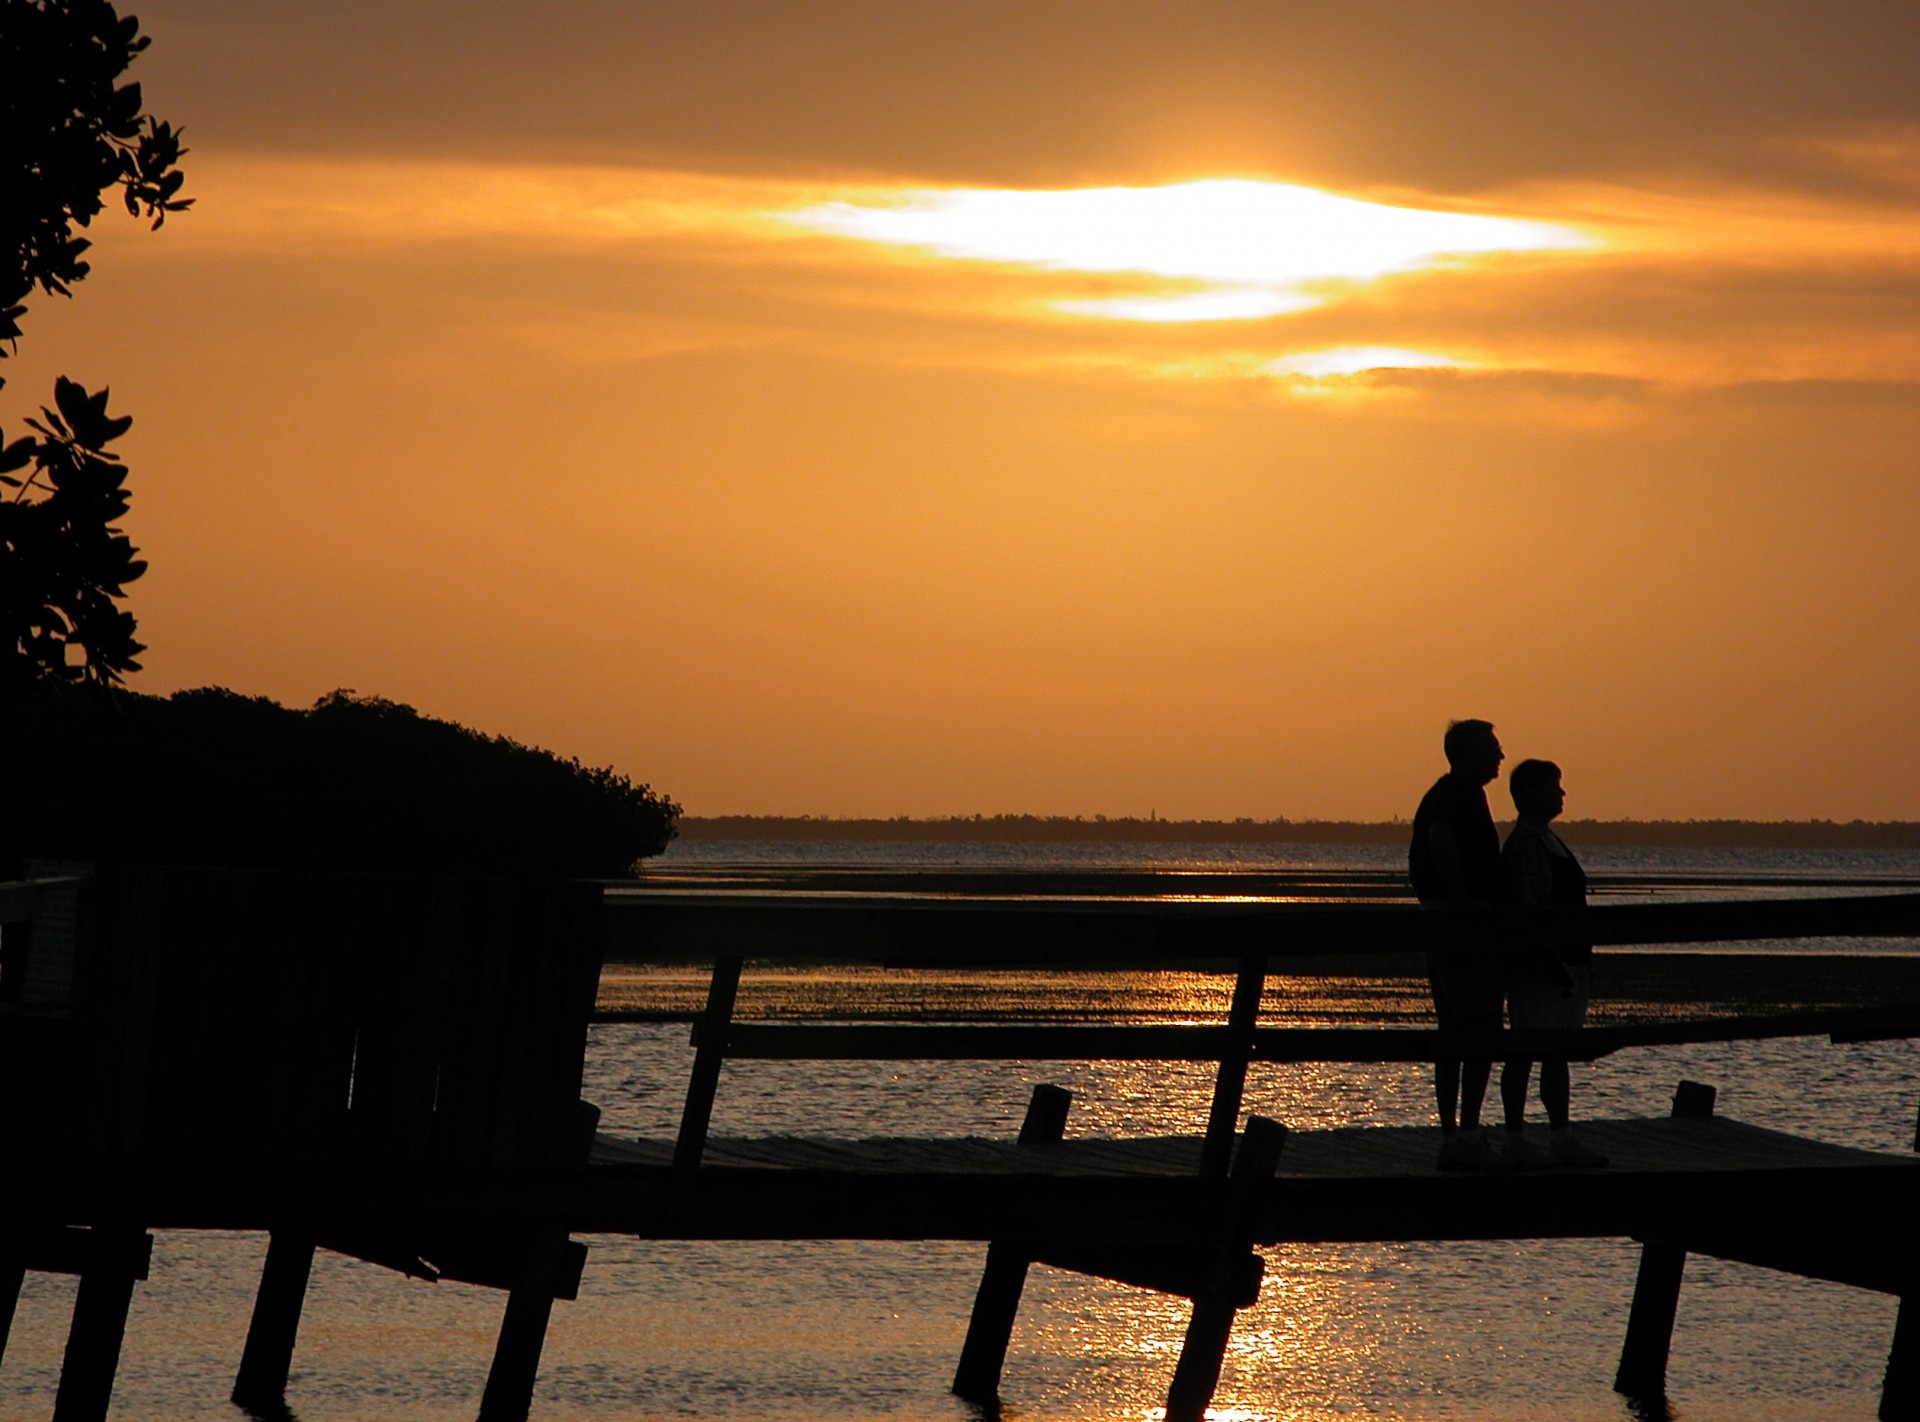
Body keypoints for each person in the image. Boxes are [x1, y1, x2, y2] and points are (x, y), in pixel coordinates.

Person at [1498, 758, 1609, 1168]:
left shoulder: (1549, 839)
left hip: (1569, 960)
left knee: (1557, 1052)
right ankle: (1515, 1137)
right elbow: (1527, 910)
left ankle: (1560, 1135)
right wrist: (1549, 959)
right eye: (1553, 787)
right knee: (1526, 1048)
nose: (1561, 794)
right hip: (1540, 968)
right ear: (1530, 794)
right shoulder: (1525, 845)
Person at [1409, 719, 1506, 1171]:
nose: (1500, 756)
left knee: (1454, 1030)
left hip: (1440, 919)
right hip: (1457, 922)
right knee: (1482, 1026)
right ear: (1467, 754)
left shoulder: (1448, 792)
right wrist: (1465, 900)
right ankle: (1465, 1132)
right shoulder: (1461, 794)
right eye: (1491, 747)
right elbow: (1440, 838)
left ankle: (1454, 1132)